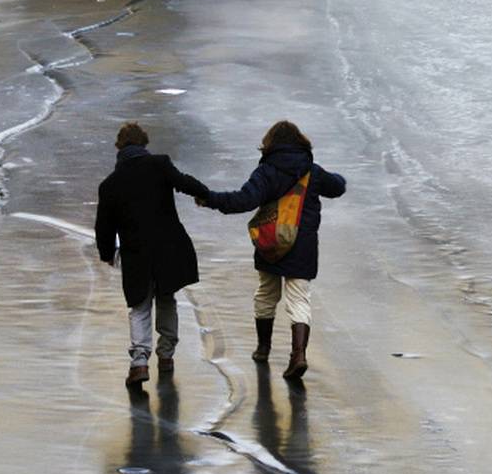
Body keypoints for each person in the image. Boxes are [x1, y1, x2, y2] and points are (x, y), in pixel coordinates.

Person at [196, 121, 346, 380]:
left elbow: (243, 200)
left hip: (271, 243)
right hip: (303, 246)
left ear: (270, 145)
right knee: (299, 298)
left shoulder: (266, 171)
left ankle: (263, 348)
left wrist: (210, 199)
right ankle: (298, 355)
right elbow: (338, 187)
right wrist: (340, 179)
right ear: (301, 143)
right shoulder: (313, 172)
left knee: (266, 293)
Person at [94, 122, 210, 387]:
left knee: (140, 306)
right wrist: (205, 195)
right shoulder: (159, 164)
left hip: (136, 253)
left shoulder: (110, 184)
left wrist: (107, 253)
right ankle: (166, 356)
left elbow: (104, 225)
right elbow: (183, 182)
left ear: (118, 147)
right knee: (167, 298)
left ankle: (139, 362)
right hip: (168, 247)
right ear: (144, 144)